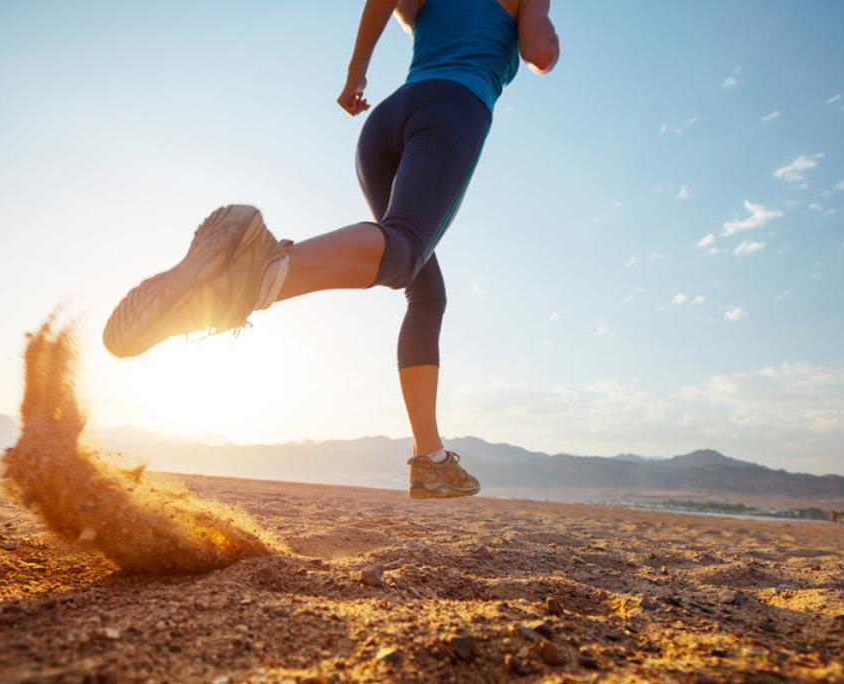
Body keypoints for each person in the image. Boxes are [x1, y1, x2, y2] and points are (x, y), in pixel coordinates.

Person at [103, 0, 559, 499]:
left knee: (426, 291)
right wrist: (545, 37)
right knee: (404, 249)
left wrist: (355, 74)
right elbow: (538, 48)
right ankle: (261, 269)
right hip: (452, 109)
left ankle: (430, 459)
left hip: (384, 124)